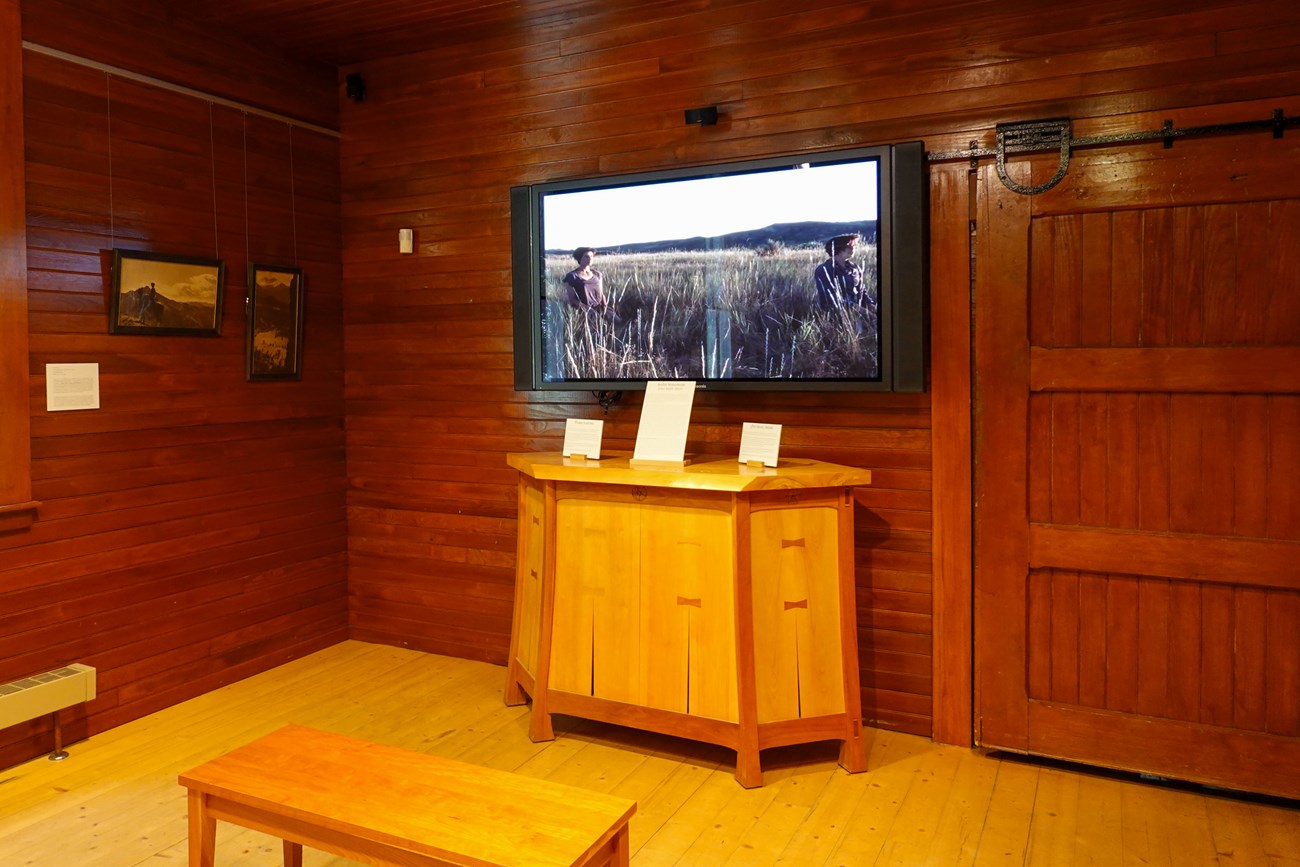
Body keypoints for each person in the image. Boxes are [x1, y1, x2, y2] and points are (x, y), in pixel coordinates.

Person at [814, 234, 867, 311]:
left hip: (858, 313)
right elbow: (832, 299)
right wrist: (862, 311)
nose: (853, 249)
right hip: (835, 315)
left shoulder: (854, 268)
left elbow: (863, 293)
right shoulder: (824, 270)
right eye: (849, 246)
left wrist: (873, 307)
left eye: (854, 246)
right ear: (838, 248)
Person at [562, 247, 616, 319]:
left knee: (619, 322)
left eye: (591, 256)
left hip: (599, 308)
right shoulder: (572, 276)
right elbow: (572, 300)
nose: (590, 258)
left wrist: (604, 306)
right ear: (579, 258)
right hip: (584, 310)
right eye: (586, 256)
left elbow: (601, 293)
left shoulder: (597, 274)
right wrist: (588, 309)